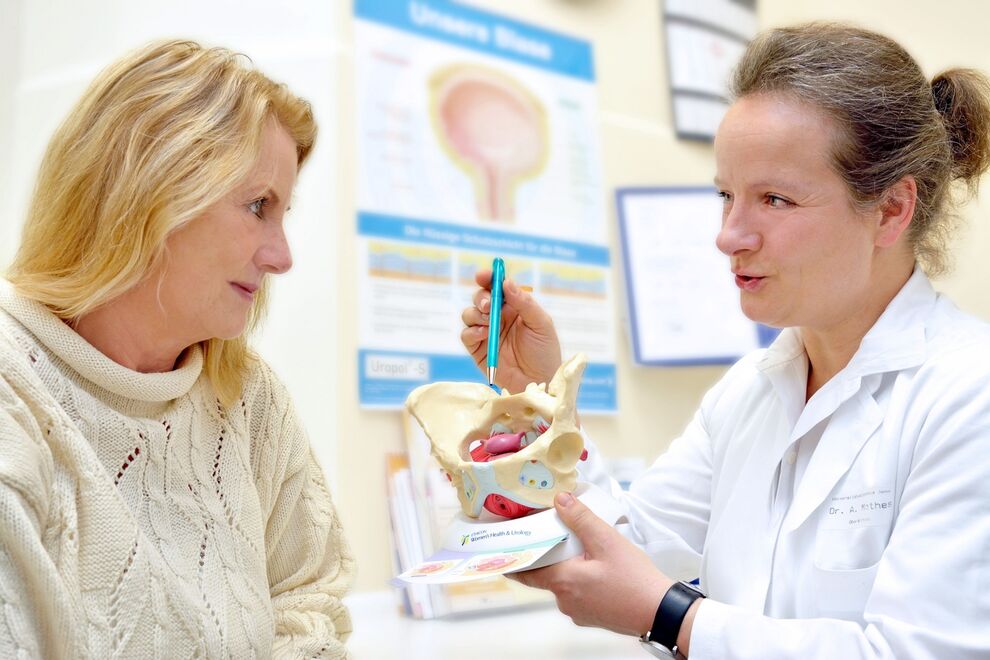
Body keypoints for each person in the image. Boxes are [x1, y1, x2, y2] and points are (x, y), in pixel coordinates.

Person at [461, 23, 990, 659]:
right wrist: (541, 403)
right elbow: (624, 541)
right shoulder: (749, 392)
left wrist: (675, 619)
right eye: (726, 195)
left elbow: (920, 652)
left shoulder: (968, 393)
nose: (729, 235)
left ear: (890, 210)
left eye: (775, 198)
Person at [0, 41, 354, 658]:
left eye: (283, 213)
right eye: (257, 206)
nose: (282, 256)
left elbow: (308, 598)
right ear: (148, 193)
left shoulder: (247, 400)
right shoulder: (15, 392)